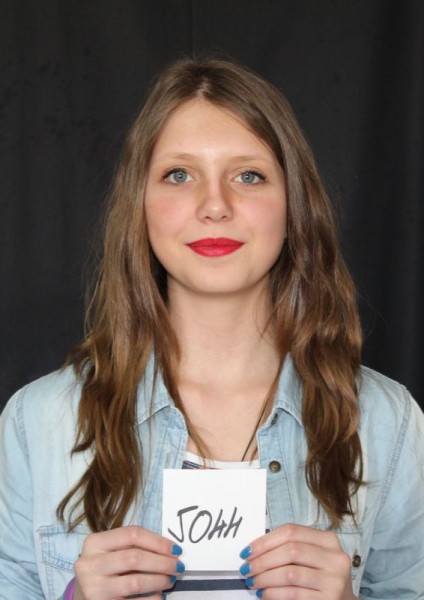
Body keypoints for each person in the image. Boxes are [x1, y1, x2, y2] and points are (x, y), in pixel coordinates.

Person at [0, 57, 423, 600]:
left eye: (248, 175)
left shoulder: (387, 423)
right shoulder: (37, 423)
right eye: (179, 175)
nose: (215, 206)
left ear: (295, 204)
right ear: (139, 204)